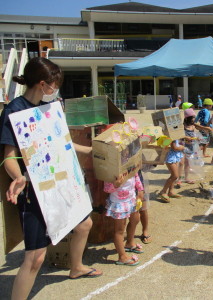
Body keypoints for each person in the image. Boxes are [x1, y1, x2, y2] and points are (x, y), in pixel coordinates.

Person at [0, 57, 102, 299]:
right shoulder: (14, 110)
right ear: (43, 83)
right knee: (35, 257)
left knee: (84, 224)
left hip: (60, 182)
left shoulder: (50, 106)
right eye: (55, 85)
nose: (56, 90)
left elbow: (59, 140)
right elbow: (8, 156)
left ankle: (75, 268)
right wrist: (18, 178)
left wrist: (89, 150)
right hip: (34, 191)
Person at [104, 173, 144, 265]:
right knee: (119, 230)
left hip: (132, 198)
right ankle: (122, 256)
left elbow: (135, 174)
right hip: (119, 203)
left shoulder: (129, 162)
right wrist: (115, 185)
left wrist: (140, 189)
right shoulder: (111, 168)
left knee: (135, 219)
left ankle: (130, 243)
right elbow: (107, 189)